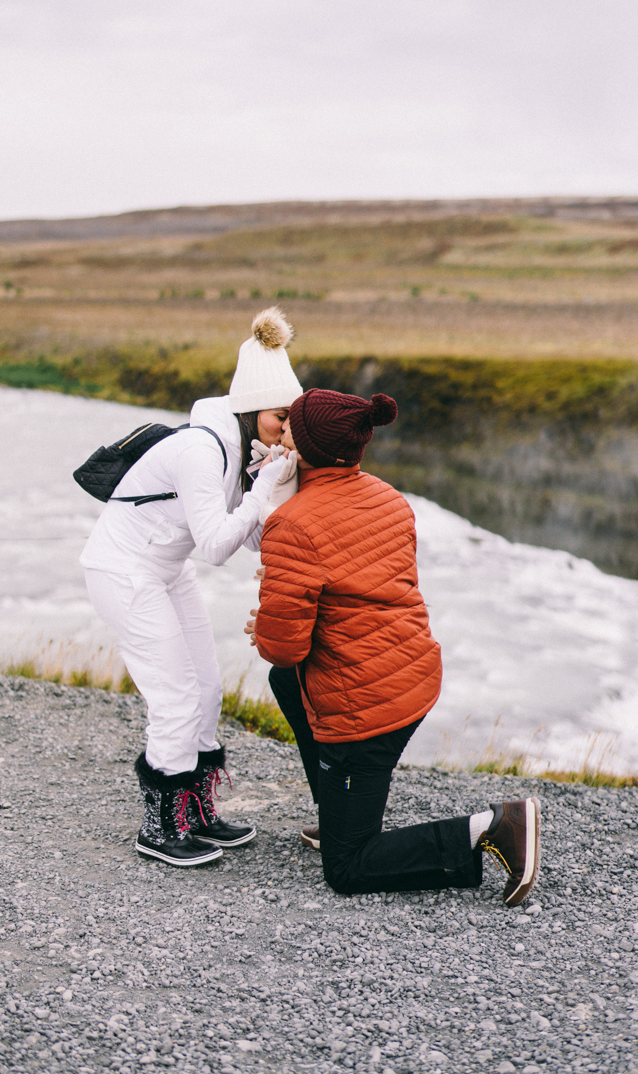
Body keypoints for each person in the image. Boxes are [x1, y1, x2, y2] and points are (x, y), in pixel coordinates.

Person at [247, 387, 541, 905]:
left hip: (364, 708)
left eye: (290, 425)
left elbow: (284, 648)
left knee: (347, 867)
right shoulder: (387, 497)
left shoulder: (293, 522)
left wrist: (265, 629)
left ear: (311, 444)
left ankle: (494, 827)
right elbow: (355, 598)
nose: (279, 431)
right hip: (411, 678)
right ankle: (339, 814)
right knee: (284, 684)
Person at [81, 308, 302, 867]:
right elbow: (217, 548)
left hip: (166, 568)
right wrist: (262, 490)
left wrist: (269, 489)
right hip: (124, 569)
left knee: (206, 686)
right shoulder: (203, 450)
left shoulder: (238, 449)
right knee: (175, 694)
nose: (286, 429)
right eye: (281, 417)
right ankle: (159, 828)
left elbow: (247, 539)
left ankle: (197, 810)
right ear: (253, 410)